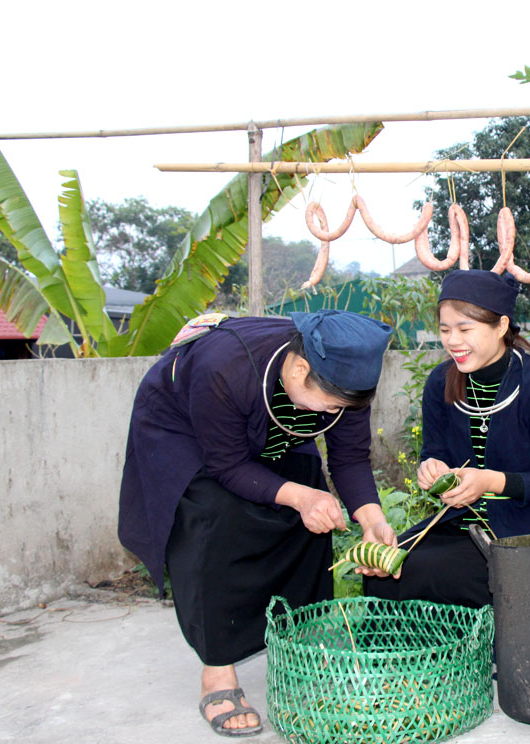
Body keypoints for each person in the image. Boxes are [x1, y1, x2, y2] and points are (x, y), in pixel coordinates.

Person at [118, 310, 396, 737]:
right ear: (300, 368)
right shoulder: (225, 366)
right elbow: (226, 465)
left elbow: (350, 457)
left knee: (308, 502)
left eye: (342, 407)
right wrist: (302, 498)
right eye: (329, 404)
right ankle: (218, 672)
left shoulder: (345, 379)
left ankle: (302, 648)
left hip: (270, 418)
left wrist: (372, 520)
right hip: (186, 430)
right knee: (216, 516)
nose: (332, 414)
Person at [364, 270, 530, 607]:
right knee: (385, 565)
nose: (453, 341)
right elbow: (434, 450)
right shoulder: (440, 382)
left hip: (526, 532)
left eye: (465, 329)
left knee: (436, 570)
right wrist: (432, 468)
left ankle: (465, 656)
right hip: (463, 523)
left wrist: (489, 481)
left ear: (501, 326)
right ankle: (395, 659)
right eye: (445, 330)